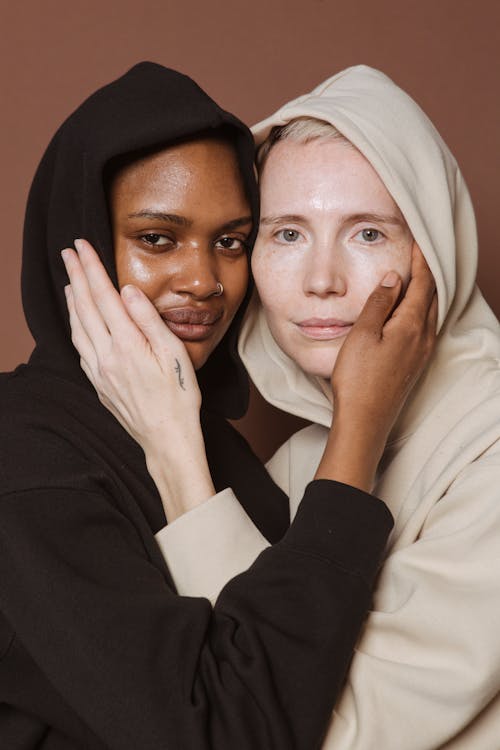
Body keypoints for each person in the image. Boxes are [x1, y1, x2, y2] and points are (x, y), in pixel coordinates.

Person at [0, 61, 432, 750]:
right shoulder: (25, 466)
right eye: (157, 239)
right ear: (74, 247)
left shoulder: (208, 442)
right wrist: (359, 429)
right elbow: (236, 734)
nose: (205, 281)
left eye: (231, 241)